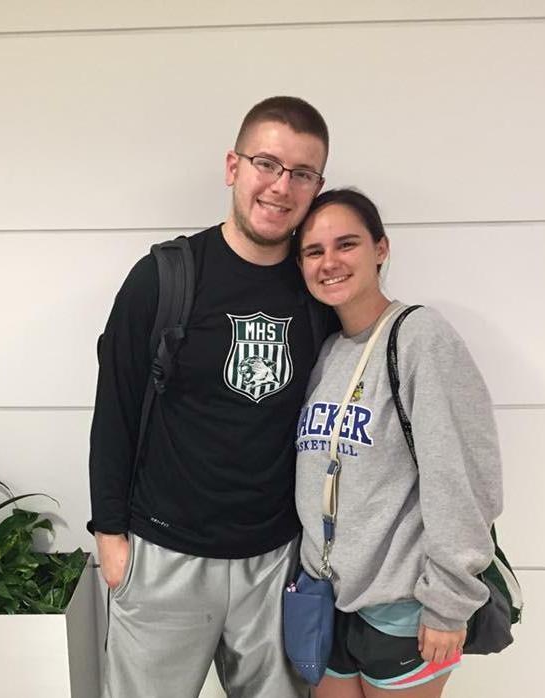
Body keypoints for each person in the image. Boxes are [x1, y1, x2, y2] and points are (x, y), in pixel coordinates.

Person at [88, 96, 338, 697]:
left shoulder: (318, 292)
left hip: (275, 564)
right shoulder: (165, 276)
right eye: (267, 164)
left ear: (316, 186)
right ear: (233, 167)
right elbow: (114, 408)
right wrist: (112, 541)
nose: (282, 187)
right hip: (164, 557)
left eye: (302, 174)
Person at [294, 188, 502, 697]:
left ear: (380, 249)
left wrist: (449, 602)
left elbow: (462, 478)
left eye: (347, 245)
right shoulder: (326, 351)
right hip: (328, 600)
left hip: (404, 605)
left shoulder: (419, 337)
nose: (330, 263)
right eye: (314, 252)